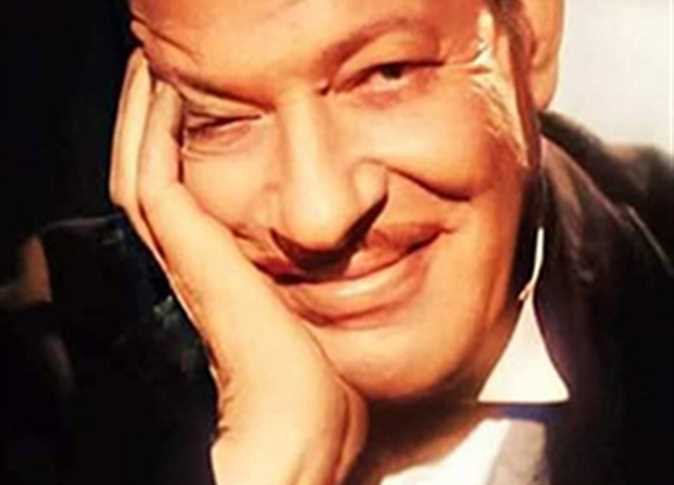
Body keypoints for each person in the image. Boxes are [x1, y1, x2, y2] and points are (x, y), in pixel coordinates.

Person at [3, 1, 672, 484]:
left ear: (530, 37)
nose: (318, 218)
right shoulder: (48, 381)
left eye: (387, 74)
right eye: (219, 120)